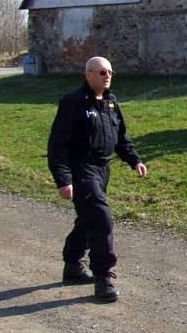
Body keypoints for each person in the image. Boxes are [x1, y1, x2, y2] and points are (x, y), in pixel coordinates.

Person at [47, 56, 148, 302]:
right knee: (102, 218)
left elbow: (121, 137)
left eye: (110, 72)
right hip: (82, 168)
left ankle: (72, 264)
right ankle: (104, 277)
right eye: (102, 72)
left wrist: (135, 160)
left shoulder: (111, 102)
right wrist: (63, 178)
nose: (107, 76)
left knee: (87, 218)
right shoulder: (73, 102)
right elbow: (57, 145)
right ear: (88, 74)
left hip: (104, 169)